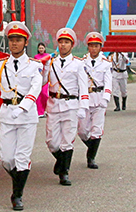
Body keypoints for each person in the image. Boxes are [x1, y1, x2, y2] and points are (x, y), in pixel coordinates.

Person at [0, 22, 42, 210]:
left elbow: (36, 88)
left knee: (22, 157)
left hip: (26, 115)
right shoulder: (2, 64)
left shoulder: (34, 66)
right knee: (7, 158)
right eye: (12, 40)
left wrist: (23, 107)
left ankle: (17, 195)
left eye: (18, 40)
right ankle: (20, 180)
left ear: (25, 42)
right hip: (7, 114)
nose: (14, 44)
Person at [42, 28, 89, 186]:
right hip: (54, 104)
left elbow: (83, 86)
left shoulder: (78, 64)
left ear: (72, 45)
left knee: (67, 140)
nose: (63, 45)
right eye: (61, 42)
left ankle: (64, 172)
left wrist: (83, 107)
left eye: (66, 42)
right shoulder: (52, 62)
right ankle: (61, 163)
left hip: (71, 105)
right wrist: (44, 68)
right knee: (51, 142)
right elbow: (43, 82)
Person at [78, 32, 112, 170]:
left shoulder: (105, 64)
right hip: (85, 98)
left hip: (99, 98)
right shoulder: (81, 62)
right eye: (91, 46)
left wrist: (106, 98)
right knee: (82, 130)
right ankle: (92, 147)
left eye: (96, 46)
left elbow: (108, 82)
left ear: (100, 47)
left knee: (96, 130)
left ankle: (91, 158)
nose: (93, 49)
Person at [34, 43, 50, 117]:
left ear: (44, 49)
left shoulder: (48, 56)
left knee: (45, 95)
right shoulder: (36, 57)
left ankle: (46, 110)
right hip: (38, 78)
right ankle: (39, 112)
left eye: (42, 48)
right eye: (39, 48)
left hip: (46, 78)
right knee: (38, 95)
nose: (41, 49)